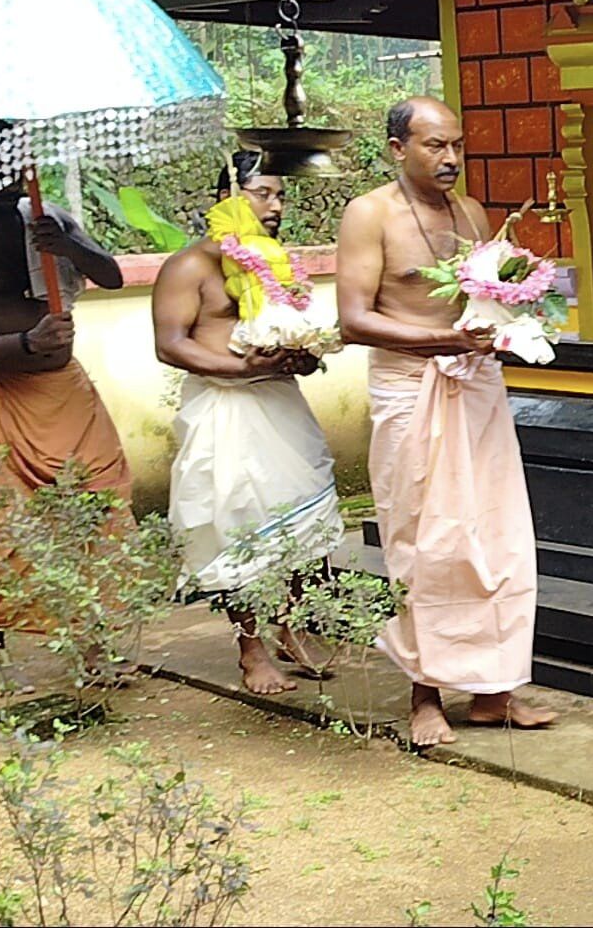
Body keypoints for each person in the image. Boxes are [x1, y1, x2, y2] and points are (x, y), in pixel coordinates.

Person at [336, 96, 555, 746]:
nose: (452, 159)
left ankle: (494, 691)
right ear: (398, 148)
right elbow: (353, 320)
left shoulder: (471, 213)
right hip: (410, 389)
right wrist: (445, 344)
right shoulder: (368, 214)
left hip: (476, 386)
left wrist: (508, 322)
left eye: (457, 145)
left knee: (496, 534)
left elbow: (480, 305)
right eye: (436, 146)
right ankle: (423, 694)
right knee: (424, 540)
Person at [0, 138, 130, 692]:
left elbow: (113, 276)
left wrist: (71, 247)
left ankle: (94, 647)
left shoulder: (49, 219)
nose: (7, 181)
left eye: (13, 166)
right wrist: (22, 343)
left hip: (64, 393)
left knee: (97, 505)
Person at [153, 152, 341, 695]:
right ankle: (251, 650)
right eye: (263, 194)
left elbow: (291, 330)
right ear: (228, 199)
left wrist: (304, 354)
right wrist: (243, 367)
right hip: (223, 408)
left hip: (280, 405)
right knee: (237, 530)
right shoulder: (188, 267)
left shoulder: (274, 263)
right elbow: (169, 345)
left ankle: (291, 627)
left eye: (280, 195)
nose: (276, 206)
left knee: (307, 524)